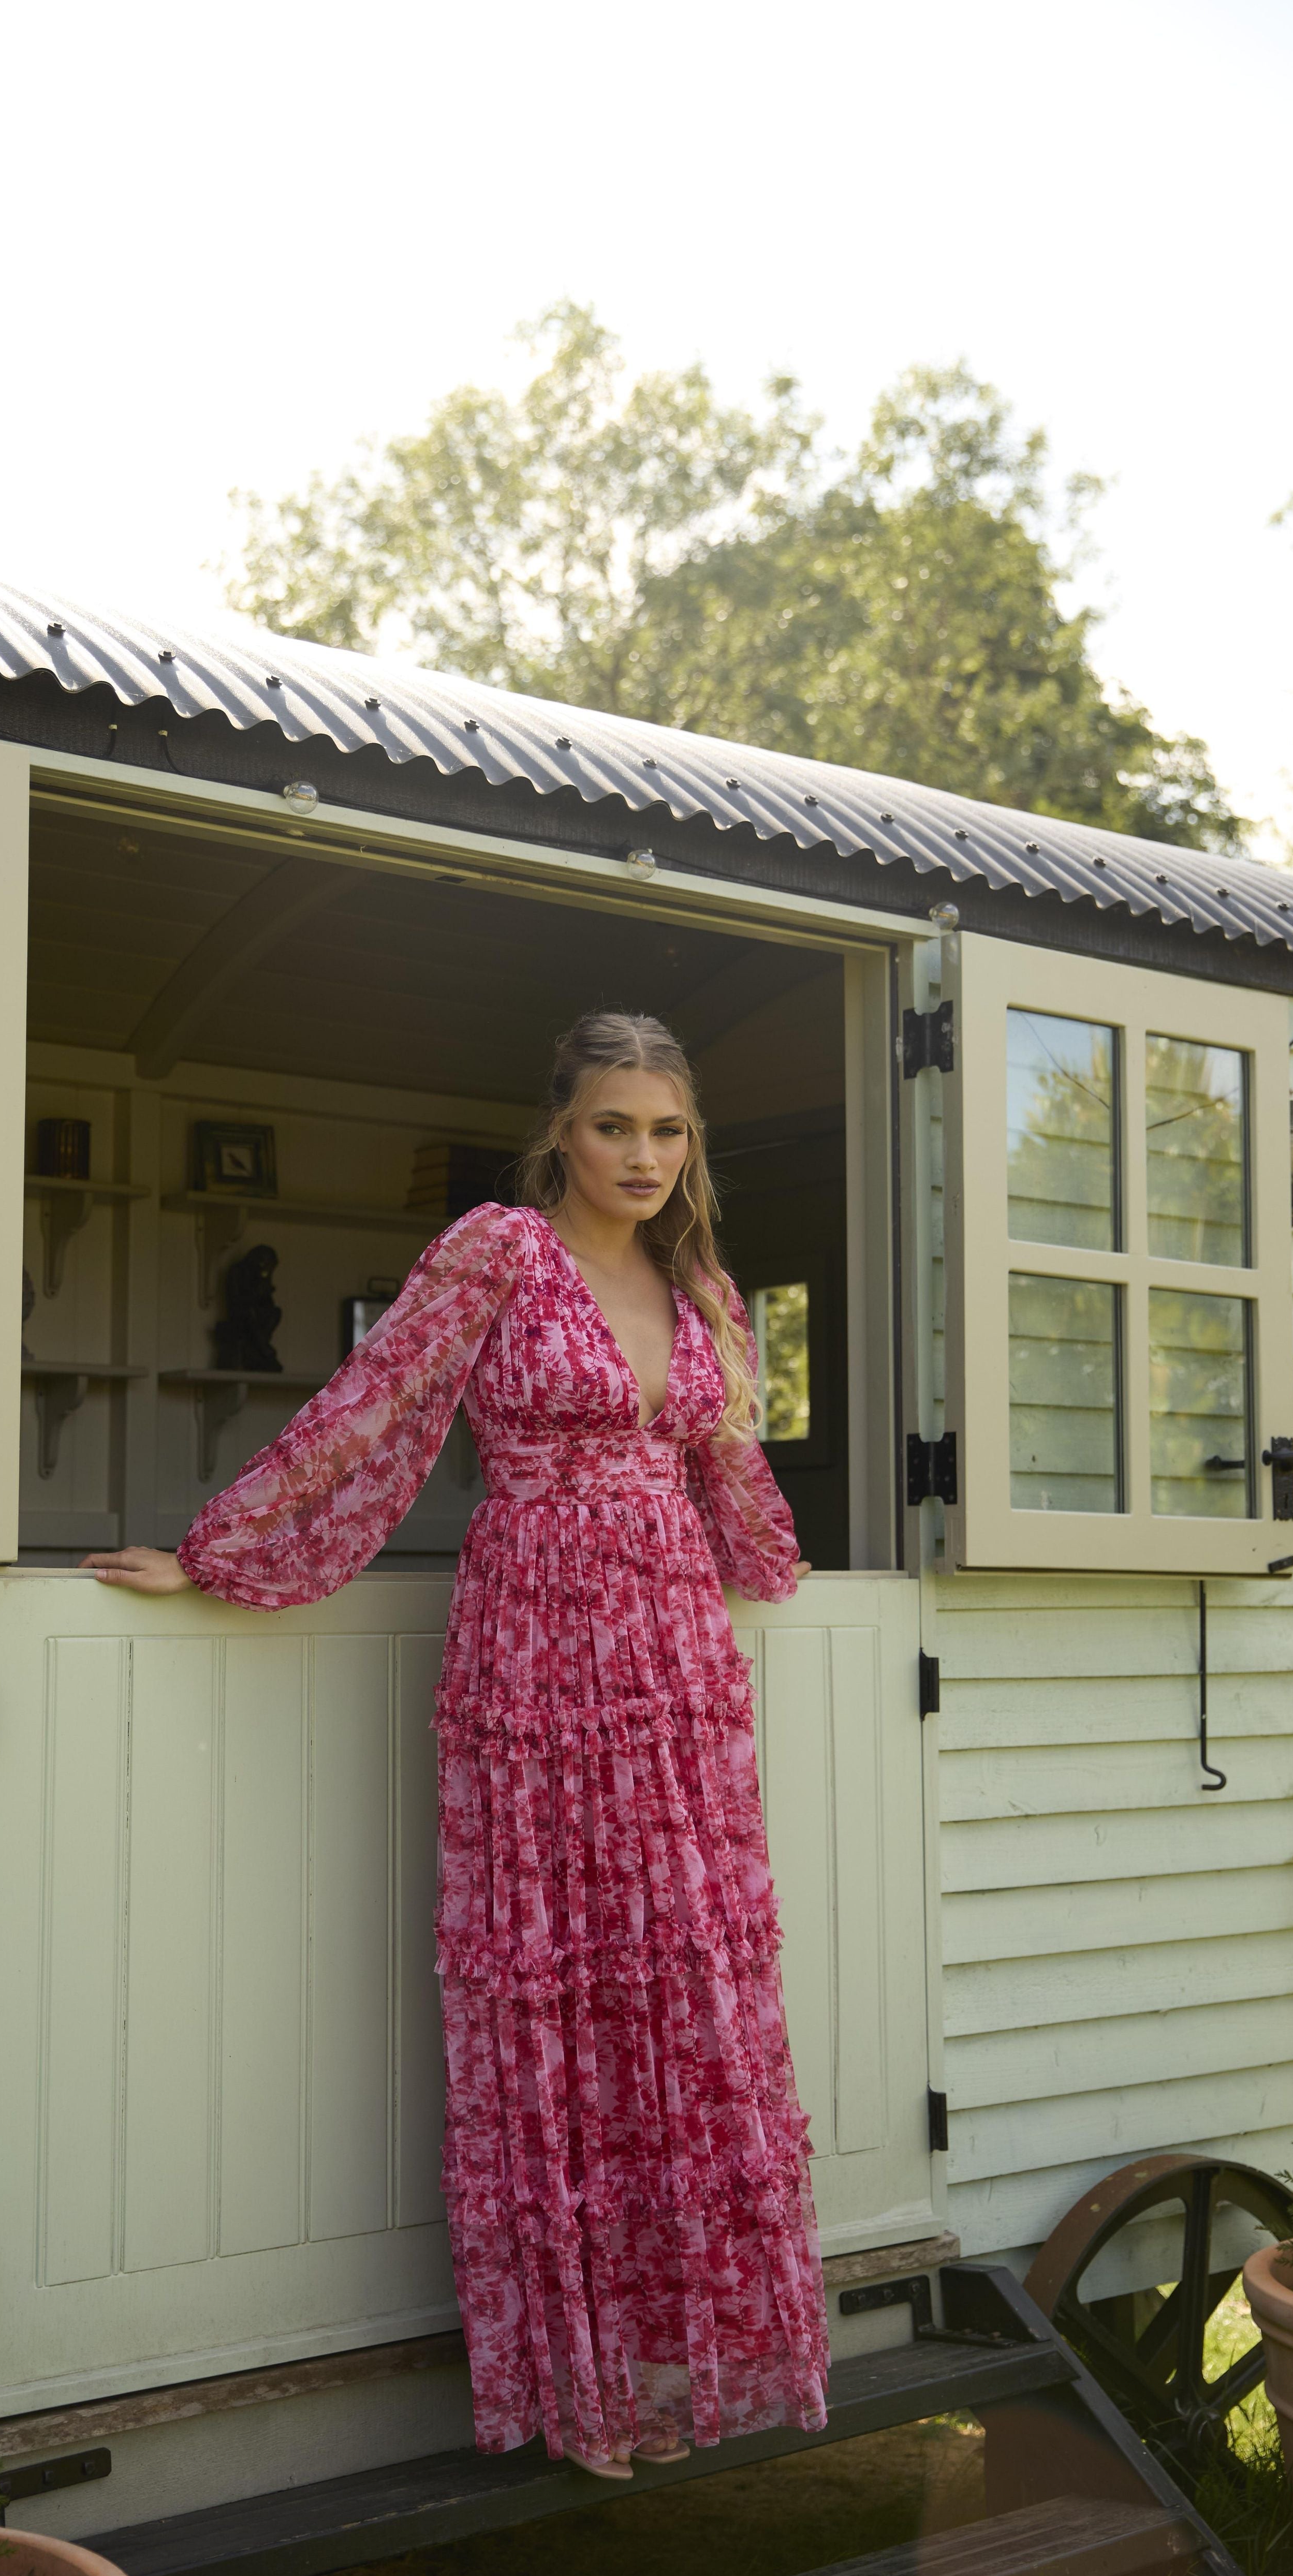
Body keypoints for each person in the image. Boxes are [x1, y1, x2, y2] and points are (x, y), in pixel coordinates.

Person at [83, 1011, 828, 2476]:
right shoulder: (499, 1250)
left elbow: (731, 1464)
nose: (642, 1156)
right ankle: (582, 2384)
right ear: (561, 1130)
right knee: (557, 1989)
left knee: (681, 1987)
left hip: (678, 1659)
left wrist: (786, 1564)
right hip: (541, 1641)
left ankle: (678, 2366)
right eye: (615, 1126)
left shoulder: (704, 1285)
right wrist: (222, 1548)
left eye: (668, 1132)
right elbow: (374, 1406)